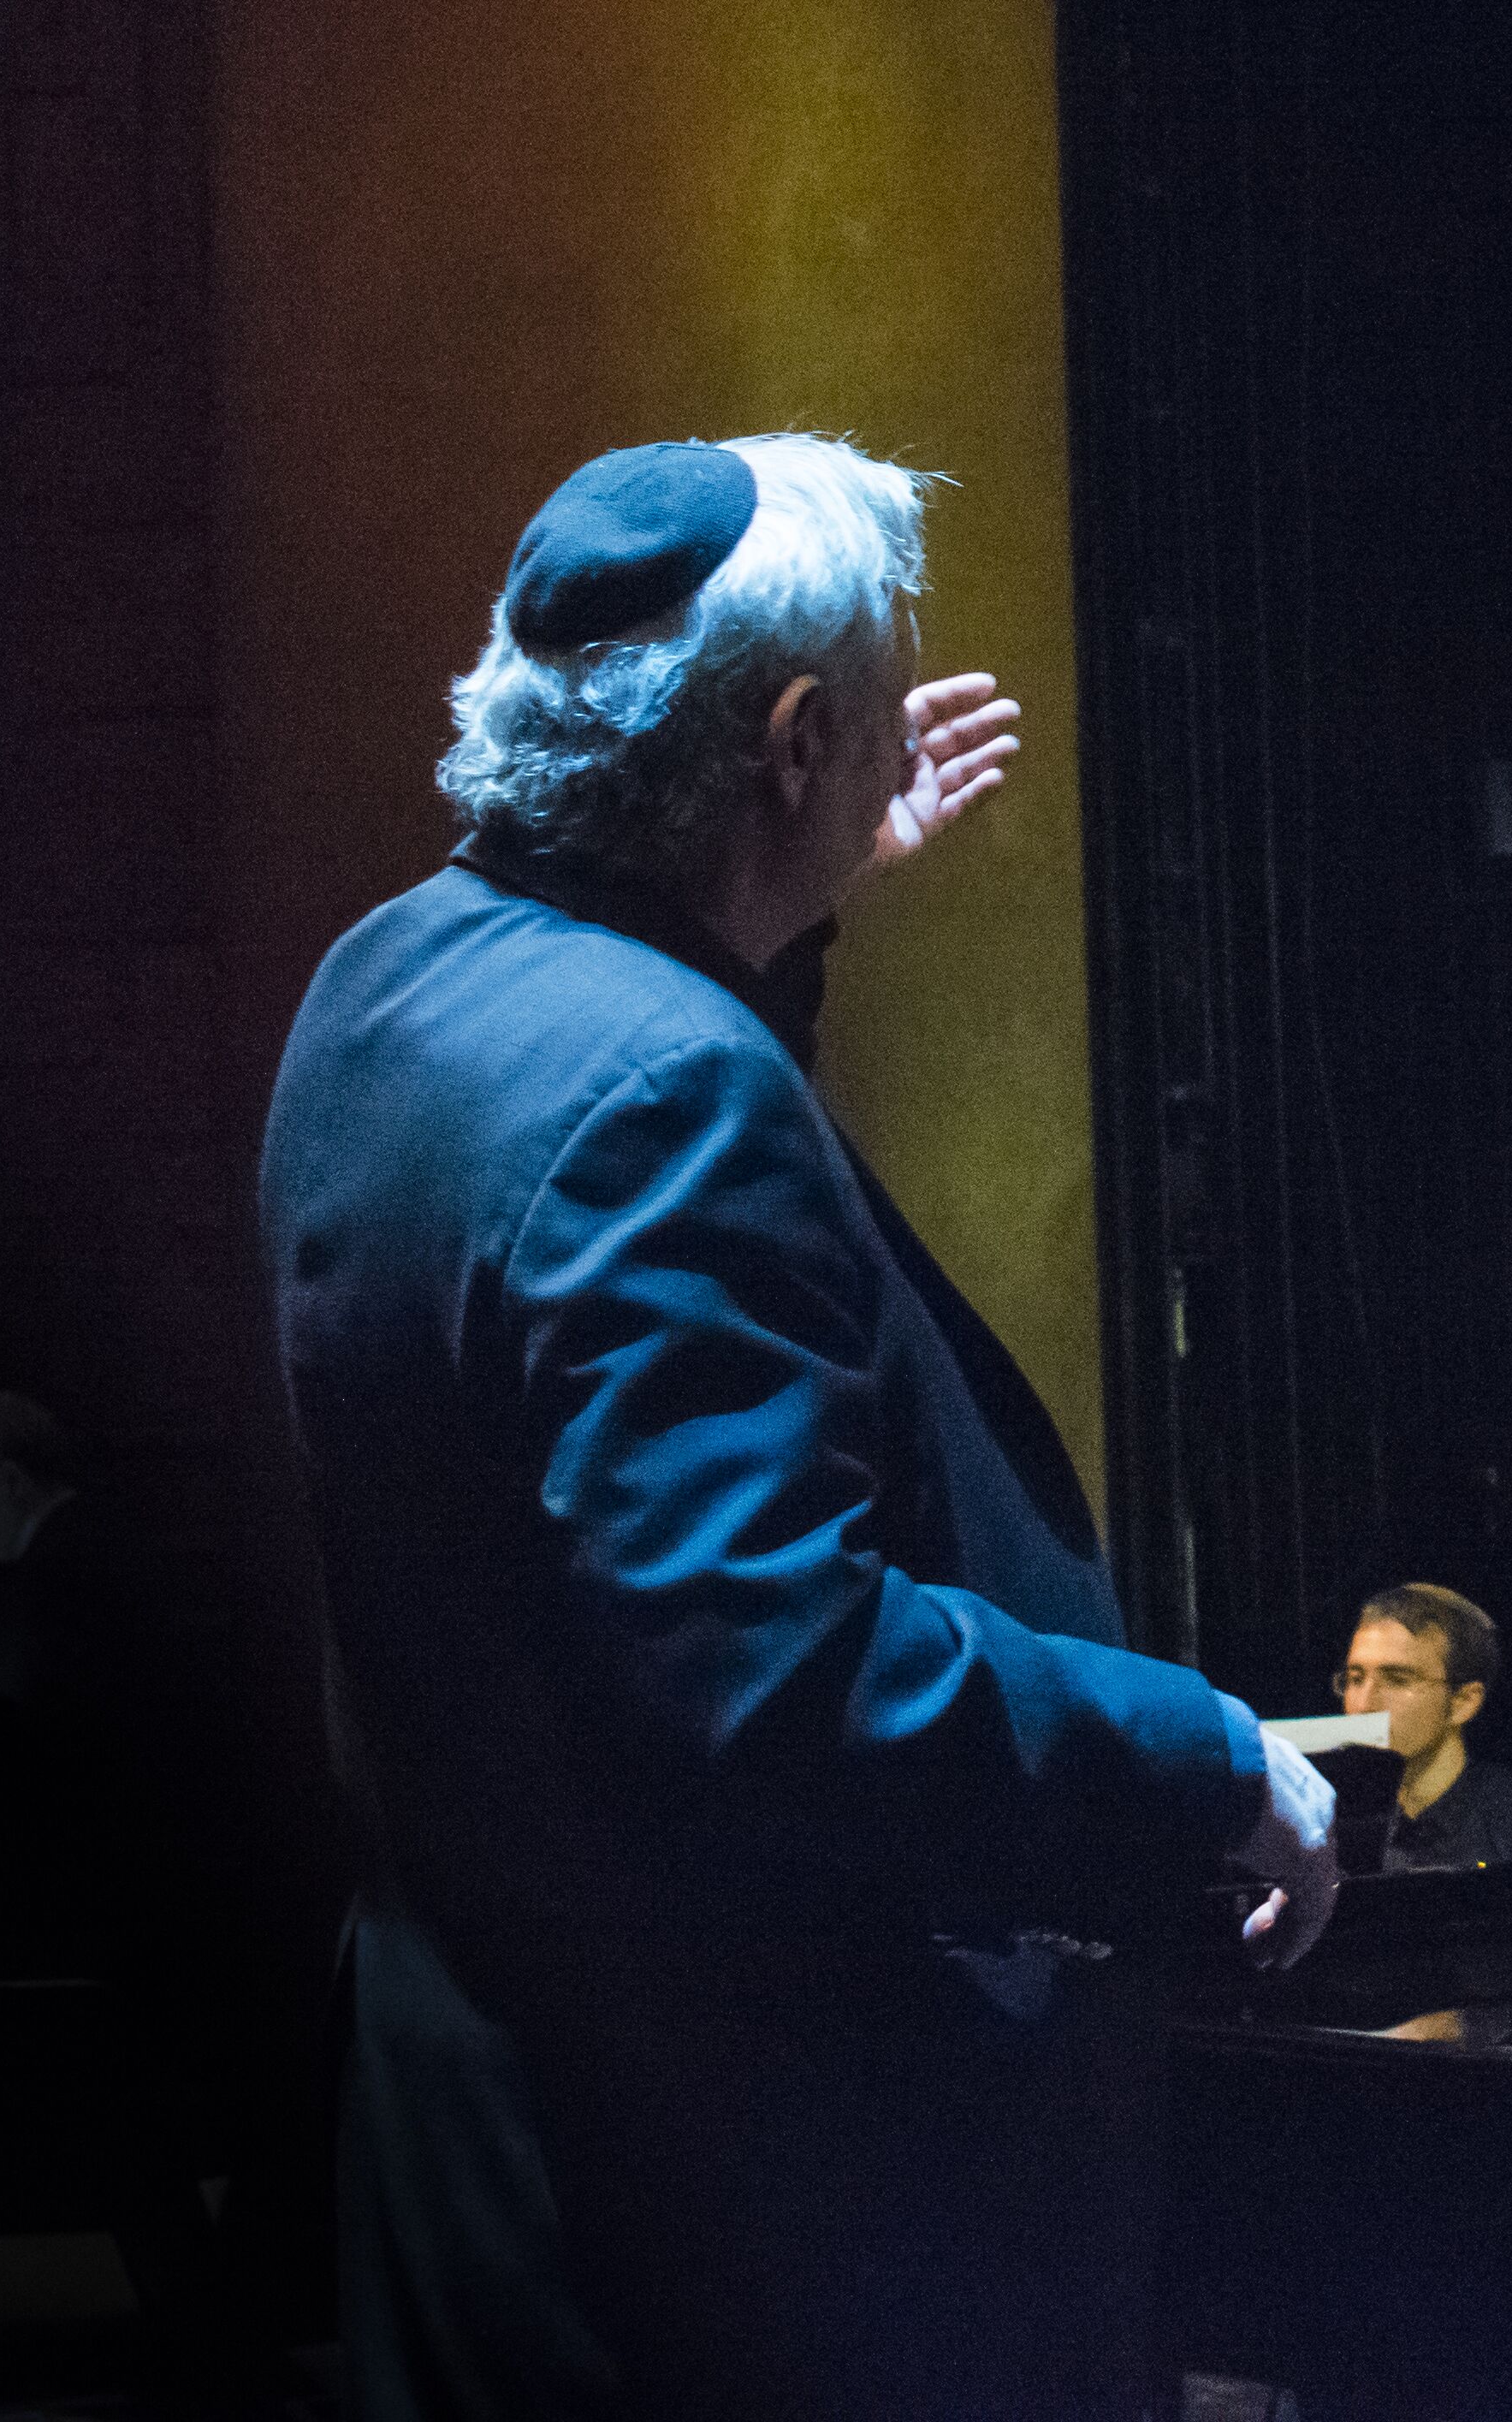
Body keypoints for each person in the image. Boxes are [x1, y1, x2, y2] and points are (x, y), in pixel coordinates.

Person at [266, 435, 1332, 2421]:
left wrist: (800, 880)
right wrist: (1206, 1757)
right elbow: (787, 1679)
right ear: (787, 737)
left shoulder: (395, 980)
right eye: (868, 702)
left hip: (490, 2133)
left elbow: (613, 1199)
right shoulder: (667, 1088)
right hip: (731, 2217)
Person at [1339, 1585, 1512, 1873]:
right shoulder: (1322, 1827)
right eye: (1355, 1679)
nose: (1363, 1705)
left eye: (1398, 1680)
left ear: (1464, 1702)